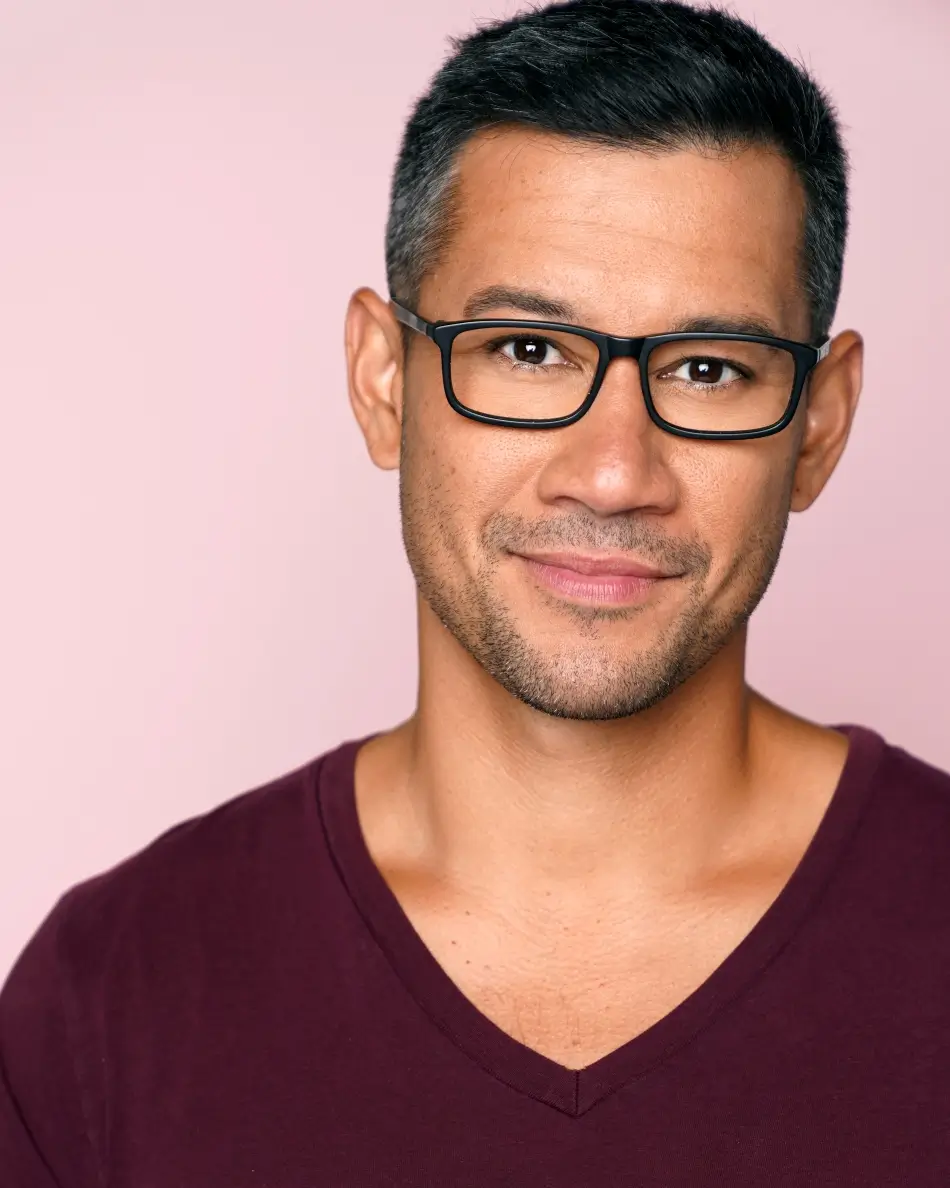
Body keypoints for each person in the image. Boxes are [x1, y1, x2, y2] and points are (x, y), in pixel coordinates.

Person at [3, 0, 950, 1182]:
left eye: (708, 370)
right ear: (382, 382)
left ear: (817, 425)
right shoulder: (112, 995)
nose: (614, 473)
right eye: (526, 351)